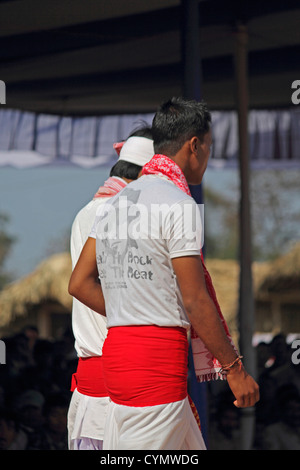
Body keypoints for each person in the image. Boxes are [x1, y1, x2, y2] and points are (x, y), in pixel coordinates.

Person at [69, 97, 259, 450]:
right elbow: (195, 299)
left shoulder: (114, 203)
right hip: (156, 365)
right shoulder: (179, 204)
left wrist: (133, 310)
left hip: (118, 357)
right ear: (194, 145)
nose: (208, 158)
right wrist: (235, 370)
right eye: (210, 148)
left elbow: (78, 283)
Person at [67, 125, 155, 450]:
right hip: (122, 392)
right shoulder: (126, 213)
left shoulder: (86, 212)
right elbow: (82, 286)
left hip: (92, 396)